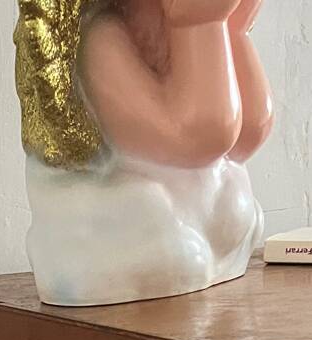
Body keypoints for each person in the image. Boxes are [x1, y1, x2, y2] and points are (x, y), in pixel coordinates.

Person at [15, 0, 274, 305]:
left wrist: (233, 28)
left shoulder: (160, 28)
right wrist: (200, 23)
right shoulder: (101, 41)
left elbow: (252, 129)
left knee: (230, 205)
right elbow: (195, 137)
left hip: (198, 220)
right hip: (128, 225)